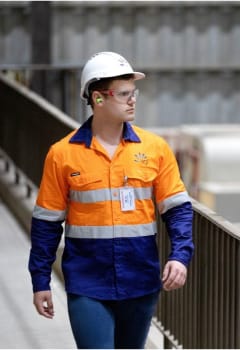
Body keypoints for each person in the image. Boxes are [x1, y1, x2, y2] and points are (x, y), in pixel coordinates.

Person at [28, 51, 194, 349]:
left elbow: (177, 209)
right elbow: (46, 223)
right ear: (98, 98)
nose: (132, 100)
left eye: (134, 93)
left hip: (140, 281)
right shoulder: (63, 154)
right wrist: (40, 280)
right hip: (88, 283)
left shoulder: (155, 149)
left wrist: (180, 256)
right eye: (123, 93)